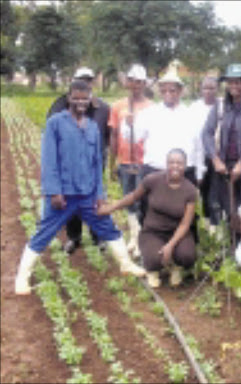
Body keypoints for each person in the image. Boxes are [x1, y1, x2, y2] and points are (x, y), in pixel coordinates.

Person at [15, 80, 145, 295]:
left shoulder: (92, 127)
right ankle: (22, 277)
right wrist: (54, 191)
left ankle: (125, 264)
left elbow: (97, 164)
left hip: (88, 194)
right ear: (69, 98)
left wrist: (100, 194)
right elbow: (49, 160)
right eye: (76, 98)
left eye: (84, 98)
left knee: (106, 226)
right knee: (45, 232)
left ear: (90, 99)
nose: (80, 102)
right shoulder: (55, 123)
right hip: (63, 195)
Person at [98, 149, 197, 288]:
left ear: (185, 166)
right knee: (154, 259)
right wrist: (110, 208)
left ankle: (176, 267)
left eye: (179, 163)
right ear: (166, 164)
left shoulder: (190, 190)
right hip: (153, 231)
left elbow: (185, 225)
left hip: (178, 233)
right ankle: (153, 270)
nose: (175, 166)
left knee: (187, 255)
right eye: (172, 162)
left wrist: (170, 245)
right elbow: (132, 197)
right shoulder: (153, 180)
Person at [47, 67, 112, 254]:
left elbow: (109, 135)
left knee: (95, 199)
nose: (86, 83)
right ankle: (74, 237)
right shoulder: (60, 105)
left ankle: (98, 237)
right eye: (82, 79)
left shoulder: (102, 108)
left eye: (89, 80)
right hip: (69, 164)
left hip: (94, 163)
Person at [135, 69, 204, 224]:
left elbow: (199, 146)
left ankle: (184, 245)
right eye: (164, 90)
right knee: (150, 211)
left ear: (180, 91)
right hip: (155, 170)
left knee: (184, 214)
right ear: (159, 92)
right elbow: (133, 137)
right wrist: (128, 125)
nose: (168, 93)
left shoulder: (191, 115)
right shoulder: (149, 113)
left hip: (185, 172)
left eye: (172, 90)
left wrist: (199, 172)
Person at [202, 63, 241, 225]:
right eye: (230, 82)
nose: (233, 86)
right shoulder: (221, 105)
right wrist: (215, 159)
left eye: (238, 82)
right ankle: (233, 245)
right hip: (225, 165)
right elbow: (207, 132)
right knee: (230, 209)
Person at [109, 64, 154, 258]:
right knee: (129, 200)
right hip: (125, 162)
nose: (135, 85)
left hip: (144, 162)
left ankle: (142, 240)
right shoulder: (118, 106)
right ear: (127, 83)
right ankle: (133, 238)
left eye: (139, 82)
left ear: (144, 84)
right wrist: (113, 162)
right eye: (132, 81)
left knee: (142, 200)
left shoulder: (152, 108)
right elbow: (113, 135)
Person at [189, 76, 220, 221]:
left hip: (218, 156)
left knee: (216, 192)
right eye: (205, 88)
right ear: (201, 90)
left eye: (211, 88)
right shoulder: (194, 108)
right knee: (203, 189)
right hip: (199, 156)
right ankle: (207, 221)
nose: (208, 91)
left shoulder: (223, 106)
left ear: (217, 89)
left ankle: (216, 222)